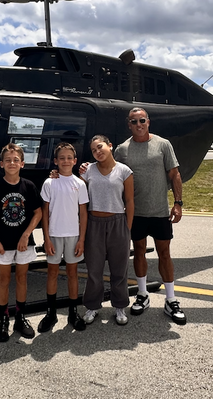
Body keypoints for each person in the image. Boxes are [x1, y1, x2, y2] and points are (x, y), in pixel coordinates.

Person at [114, 107, 187, 325]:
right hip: (135, 213)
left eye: (142, 120)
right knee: (138, 252)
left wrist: (178, 203)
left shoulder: (163, 145)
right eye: (134, 121)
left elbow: (174, 174)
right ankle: (143, 294)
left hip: (159, 211)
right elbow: (111, 173)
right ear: (128, 125)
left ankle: (171, 299)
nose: (138, 124)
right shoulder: (122, 150)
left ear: (148, 122)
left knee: (165, 253)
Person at [0, 143, 43, 342]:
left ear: (22, 164)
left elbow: (38, 212)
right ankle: (4, 319)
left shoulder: (29, 186)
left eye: (16, 160)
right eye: (8, 160)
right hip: (3, 242)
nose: (12, 163)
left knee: (22, 279)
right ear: (2, 164)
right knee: (4, 280)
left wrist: (26, 234)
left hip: (24, 242)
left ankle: (20, 316)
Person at [80, 135, 134, 326]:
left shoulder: (124, 171)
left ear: (110, 146)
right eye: (94, 150)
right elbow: (76, 191)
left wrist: (127, 229)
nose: (97, 152)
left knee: (119, 268)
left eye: (100, 147)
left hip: (117, 222)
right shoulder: (87, 171)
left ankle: (119, 306)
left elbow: (129, 201)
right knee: (94, 269)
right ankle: (93, 306)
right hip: (94, 223)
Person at [38, 142, 89, 332]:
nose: (66, 161)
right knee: (52, 273)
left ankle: (73, 312)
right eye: (62, 158)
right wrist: (47, 238)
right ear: (55, 161)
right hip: (54, 235)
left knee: (72, 273)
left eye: (69, 158)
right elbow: (45, 213)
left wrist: (82, 239)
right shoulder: (49, 182)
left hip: (73, 236)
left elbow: (83, 213)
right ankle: (50, 313)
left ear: (75, 161)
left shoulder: (79, 184)